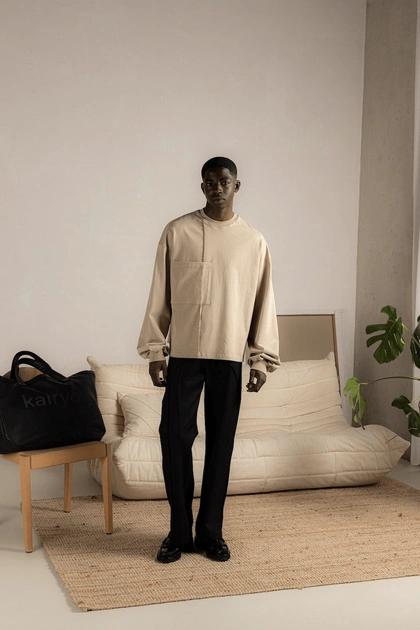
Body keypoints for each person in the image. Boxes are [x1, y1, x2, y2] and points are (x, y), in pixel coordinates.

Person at [137, 156, 280, 564]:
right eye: (210, 182)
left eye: (224, 182)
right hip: (183, 354)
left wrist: (260, 359)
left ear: (237, 186)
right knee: (174, 437)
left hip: (228, 355)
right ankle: (178, 532)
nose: (217, 188)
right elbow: (160, 294)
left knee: (221, 444)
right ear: (202, 187)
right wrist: (154, 350)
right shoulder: (177, 231)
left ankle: (211, 533)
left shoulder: (253, 241)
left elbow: (263, 302)